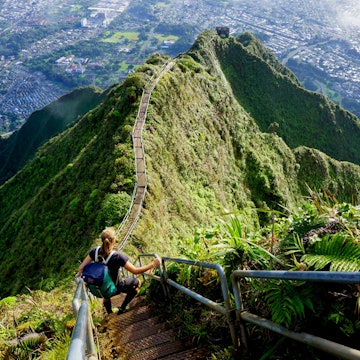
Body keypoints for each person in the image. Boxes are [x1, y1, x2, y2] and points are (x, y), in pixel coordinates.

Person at [76, 227, 161, 314]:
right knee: (137, 282)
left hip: (100, 289)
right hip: (116, 288)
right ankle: (122, 308)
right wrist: (153, 264)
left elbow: (81, 268)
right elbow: (135, 271)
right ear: (113, 240)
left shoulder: (95, 251)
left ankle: (109, 313)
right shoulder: (118, 256)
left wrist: (80, 276)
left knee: (105, 286)